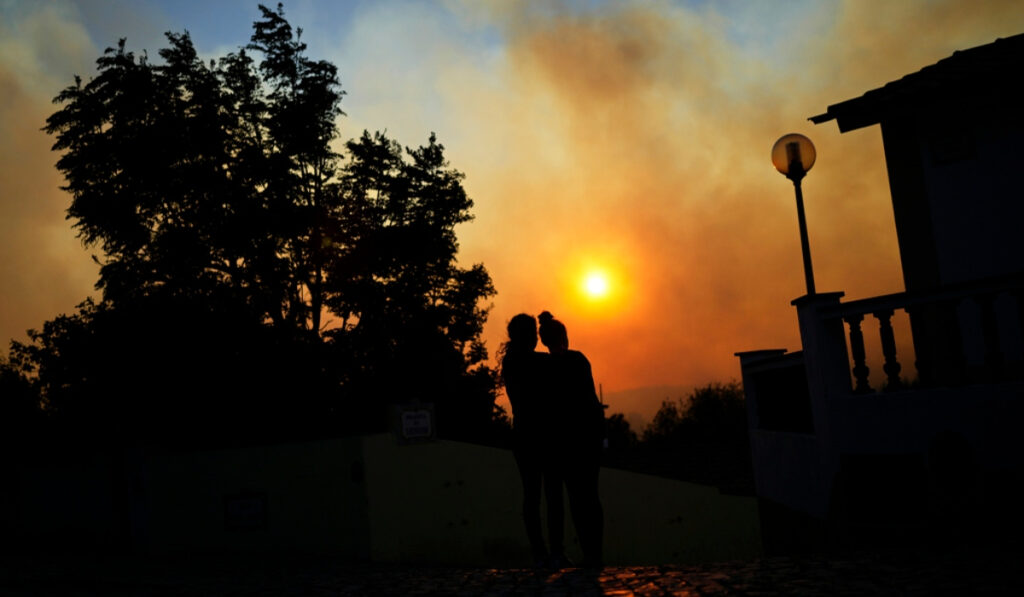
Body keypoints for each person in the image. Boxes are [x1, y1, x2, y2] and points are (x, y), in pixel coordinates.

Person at [498, 313, 567, 567]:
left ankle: (540, 553)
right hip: (546, 435)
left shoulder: (510, 361)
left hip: (524, 435)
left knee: (533, 495)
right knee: (552, 495)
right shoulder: (541, 362)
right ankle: (555, 552)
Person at [538, 310, 605, 568]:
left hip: (558, 442)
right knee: (589, 496)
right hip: (586, 438)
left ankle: (576, 553)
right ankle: (594, 553)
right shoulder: (579, 360)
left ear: (543, 340)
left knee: (572, 499)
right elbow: (589, 400)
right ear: (565, 335)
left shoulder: (543, 367)